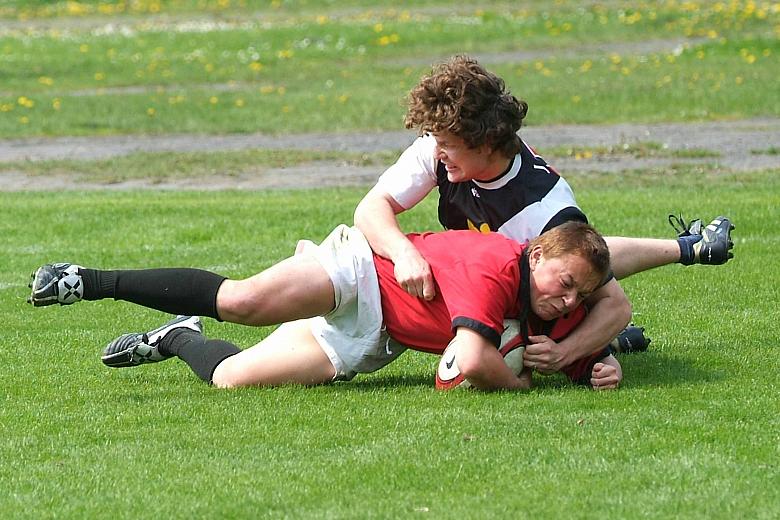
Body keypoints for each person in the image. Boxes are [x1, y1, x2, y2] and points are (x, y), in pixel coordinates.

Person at [352, 54, 734, 373]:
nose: (437, 150)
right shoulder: (441, 148)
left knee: (567, 285)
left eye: (447, 144)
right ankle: (691, 248)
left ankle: (685, 252)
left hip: (523, 276)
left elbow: (614, 303)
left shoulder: (546, 210)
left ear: (485, 143)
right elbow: (370, 209)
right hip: (489, 279)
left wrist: (567, 353)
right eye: (437, 140)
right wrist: (404, 253)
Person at [27, 221, 621, 390]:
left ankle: (178, 336)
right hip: (361, 274)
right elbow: (471, 356)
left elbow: (585, 348)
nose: (566, 299)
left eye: (578, 295)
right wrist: (520, 388)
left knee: (233, 378)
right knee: (243, 300)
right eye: (562, 282)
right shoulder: (492, 262)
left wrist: (595, 365)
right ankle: (87, 279)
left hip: (376, 337)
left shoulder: (558, 307)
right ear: (535, 252)